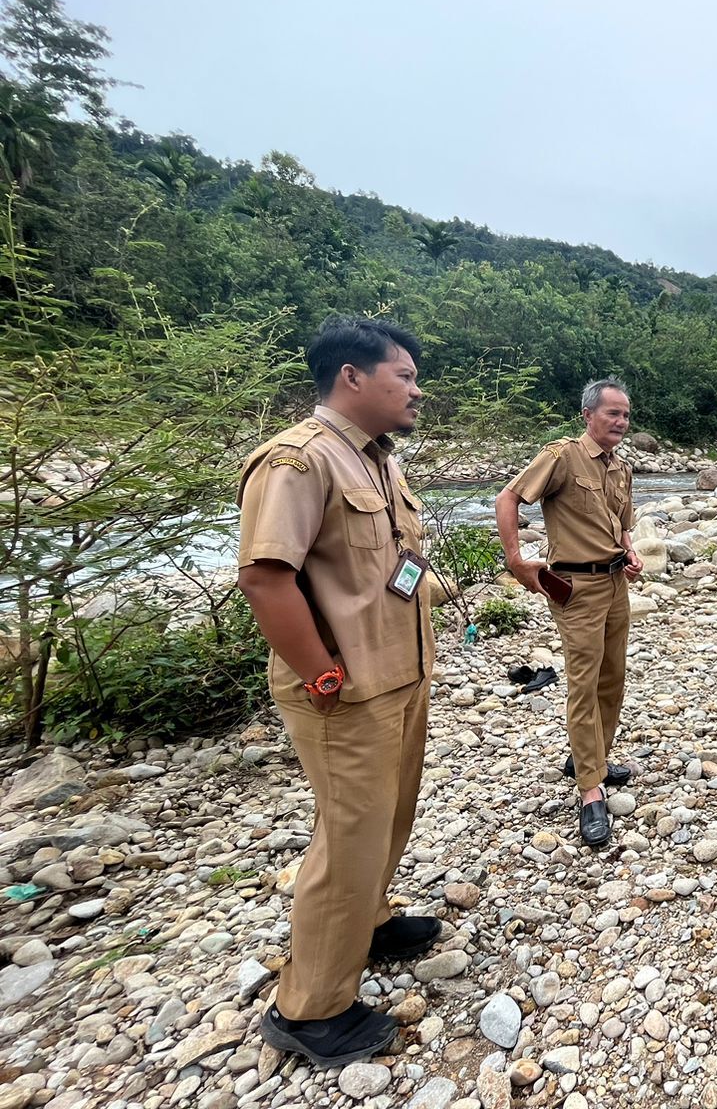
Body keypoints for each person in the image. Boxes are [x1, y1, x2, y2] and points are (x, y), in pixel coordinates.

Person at [236, 317, 439, 1067]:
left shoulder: (380, 461)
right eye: (405, 376)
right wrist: (321, 671)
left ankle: (371, 920)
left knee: (388, 816)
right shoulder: (298, 460)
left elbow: (391, 564)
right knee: (347, 833)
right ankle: (311, 1009)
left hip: (398, 676)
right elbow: (264, 576)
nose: (417, 389)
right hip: (343, 692)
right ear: (352, 377)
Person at [495, 377, 642, 849]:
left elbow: (621, 526)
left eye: (625, 414)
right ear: (588, 415)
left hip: (616, 582)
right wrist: (517, 561)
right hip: (576, 588)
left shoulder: (621, 468)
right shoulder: (561, 456)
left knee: (612, 677)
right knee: (583, 681)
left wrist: (631, 551)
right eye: (611, 413)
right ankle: (590, 790)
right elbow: (508, 498)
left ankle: (590, 757)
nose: (620, 421)